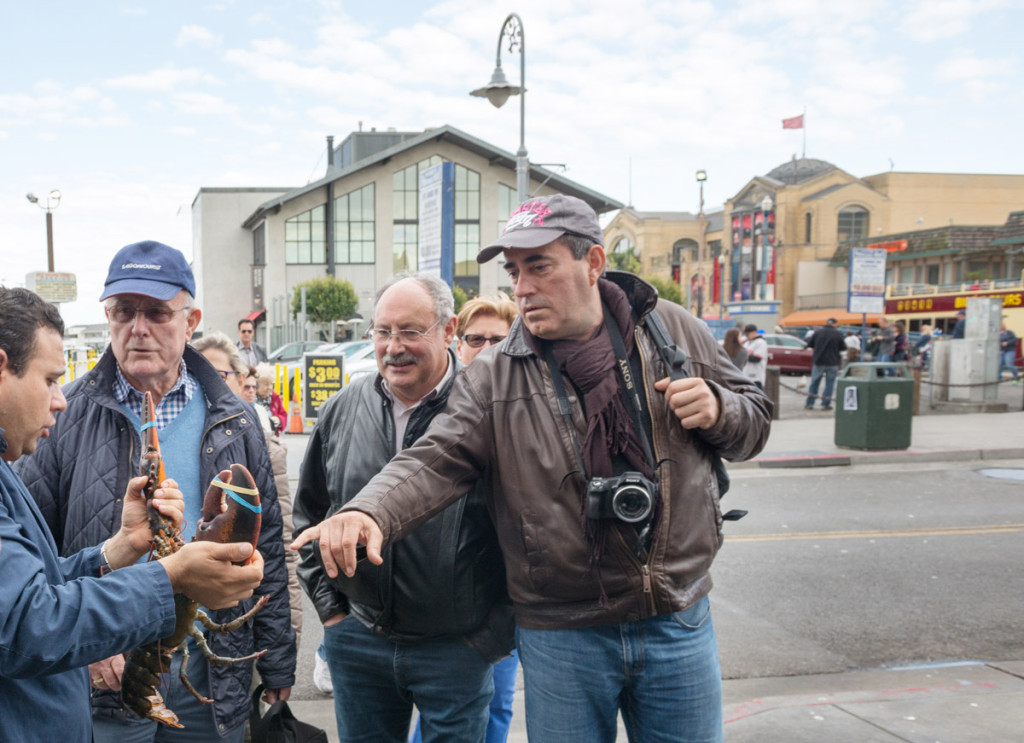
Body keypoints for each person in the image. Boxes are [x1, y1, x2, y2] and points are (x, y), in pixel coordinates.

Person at [294, 194, 772, 742]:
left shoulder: (671, 330)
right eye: (515, 272)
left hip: (677, 616)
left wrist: (719, 407)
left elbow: (754, 420)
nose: (521, 288)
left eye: (539, 267)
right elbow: (434, 459)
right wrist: (368, 511)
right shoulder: (495, 373)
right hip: (563, 632)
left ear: (592, 264)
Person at [16, 241, 295, 743]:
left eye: (157, 312)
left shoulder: (235, 416)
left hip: (208, 673)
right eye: (124, 312)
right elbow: (31, 554)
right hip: (103, 672)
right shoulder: (59, 413)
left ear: (191, 320)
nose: (138, 328)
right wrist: (86, 641)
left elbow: (269, 545)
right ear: (108, 317)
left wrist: (278, 663)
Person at [293, 273, 513, 743]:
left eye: (411, 331)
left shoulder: (487, 412)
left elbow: (526, 530)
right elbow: (309, 514)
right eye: (382, 331)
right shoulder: (344, 407)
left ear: (449, 329)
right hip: (359, 642)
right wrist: (334, 616)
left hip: (457, 650)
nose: (394, 347)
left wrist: (490, 638)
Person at [410, 293, 519, 743]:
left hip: (509, 595)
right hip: (447, 600)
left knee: (498, 705)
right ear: (459, 341)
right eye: (477, 339)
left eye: (500, 338)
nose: (487, 349)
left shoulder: (527, 406)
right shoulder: (438, 408)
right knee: (443, 711)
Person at [193, 334, 303, 647]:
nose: (207, 384)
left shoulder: (261, 442)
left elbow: (278, 543)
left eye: (218, 376)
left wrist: (283, 642)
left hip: (238, 625)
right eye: (196, 375)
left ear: (242, 380)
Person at [804, 318, 845, 410]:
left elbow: (810, 344)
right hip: (833, 361)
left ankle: (810, 403)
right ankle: (825, 403)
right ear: (835, 324)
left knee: (814, 382)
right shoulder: (838, 334)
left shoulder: (818, 333)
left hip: (819, 361)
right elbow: (843, 347)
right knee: (830, 383)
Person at [254, 361, 287, 435]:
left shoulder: (274, 397)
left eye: (271, 384)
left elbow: (283, 415)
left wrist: (278, 420)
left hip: (272, 437)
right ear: (256, 384)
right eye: (266, 384)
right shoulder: (251, 398)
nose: (270, 387)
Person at [741, 323, 768, 389]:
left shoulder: (761, 342)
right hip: (745, 376)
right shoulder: (747, 343)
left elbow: (756, 359)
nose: (746, 336)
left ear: (754, 332)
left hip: (756, 378)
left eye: (747, 334)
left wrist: (743, 356)